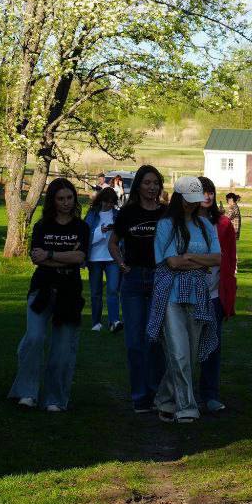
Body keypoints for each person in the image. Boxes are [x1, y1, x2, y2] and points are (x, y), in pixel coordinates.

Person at [8, 178, 89, 412]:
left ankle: (55, 398)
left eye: (69, 198)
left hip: (69, 293)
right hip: (41, 289)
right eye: (60, 198)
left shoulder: (80, 228)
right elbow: (36, 258)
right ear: (53, 201)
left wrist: (51, 254)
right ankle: (26, 392)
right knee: (33, 339)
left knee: (63, 348)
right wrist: (64, 255)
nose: (65, 203)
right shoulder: (42, 226)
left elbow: (80, 258)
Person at [147, 176, 220, 422]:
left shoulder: (206, 226)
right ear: (178, 199)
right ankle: (186, 407)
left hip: (197, 292)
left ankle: (165, 400)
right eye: (188, 201)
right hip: (171, 293)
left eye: (195, 201)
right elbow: (171, 262)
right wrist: (199, 260)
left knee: (189, 353)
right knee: (178, 352)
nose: (192, 205)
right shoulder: (166, 225)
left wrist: (188, 257)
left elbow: (218, 259)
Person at [109, 165, 166, 412]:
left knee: (155, 340)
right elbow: (112, 244)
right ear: (139, 185)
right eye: (147, 183)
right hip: (133, 280)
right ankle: (139, 396)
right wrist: (121, 264)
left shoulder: (166, 214)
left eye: (156, 183)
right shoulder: (127, 213)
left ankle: (157, 392)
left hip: (159, 279)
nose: (152, 187)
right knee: (134, 341)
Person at [198, 175, 238, 412]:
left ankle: (210, 394)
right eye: (202, 191)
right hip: (187, 295)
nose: (207, 196)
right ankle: (178, 394)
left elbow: (230, 262)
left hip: (213, 296)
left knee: (212, 347)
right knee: (183, 349)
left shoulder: (223, 225)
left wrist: (227, 298)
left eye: (210, 191)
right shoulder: (182, 223)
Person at [84, 186, 122, 332]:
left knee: (113, 290)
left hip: (112, 258)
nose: (108, 205)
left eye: (111, 202)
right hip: (95, 258)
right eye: (106, 202)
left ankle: (114, 321)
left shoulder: (118, 215)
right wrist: (100, 231)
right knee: (96, 292)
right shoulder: (92, 215)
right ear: (101, 201)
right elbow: (86, 238)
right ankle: (96, 322)